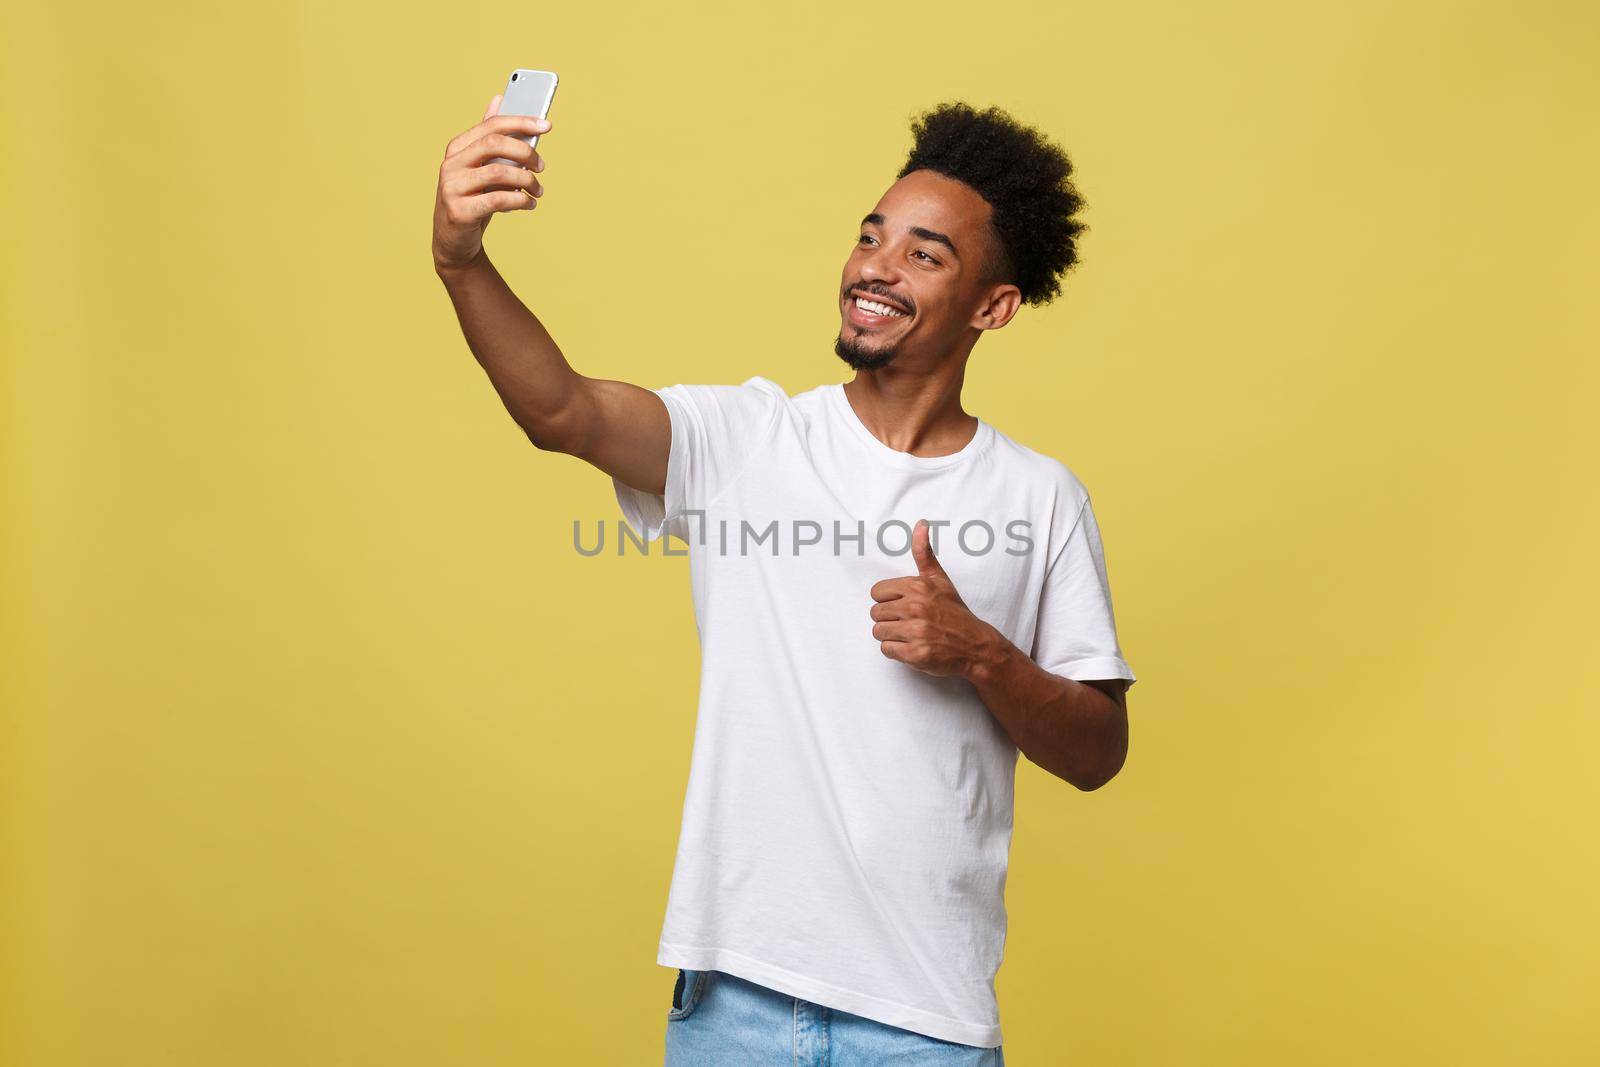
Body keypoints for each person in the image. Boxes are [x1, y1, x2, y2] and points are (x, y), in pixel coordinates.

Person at [433, 96, 1137, 1067]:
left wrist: (979, 651)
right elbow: (561, 409)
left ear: (993, 305)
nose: (876, 267)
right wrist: (461, 261)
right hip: (736, 1008)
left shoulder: (1039, 496)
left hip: (922, 1023)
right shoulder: (749, 442)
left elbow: (1099, 747)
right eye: (870, 236)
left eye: (925, 254)